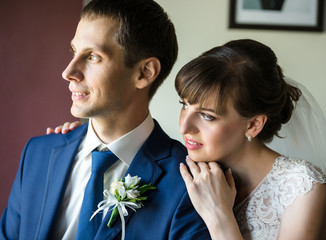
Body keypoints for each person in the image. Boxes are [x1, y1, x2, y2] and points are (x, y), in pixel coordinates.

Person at [0, 0, 211, 239]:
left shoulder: (188, 182)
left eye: (92, 57)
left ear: (144, 73)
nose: (68, 72)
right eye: (74, 52)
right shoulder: (37, 154)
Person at [175, 39, 326, 239]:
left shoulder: (302, 189)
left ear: (253, 125)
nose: (184, 126)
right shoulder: (182, 170)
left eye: (207, 116)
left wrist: (219, 216)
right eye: (184, 105)